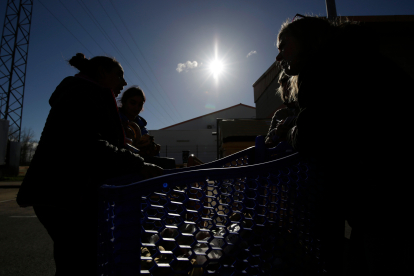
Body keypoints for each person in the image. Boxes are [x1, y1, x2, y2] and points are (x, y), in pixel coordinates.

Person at [274, 16, 411, 274]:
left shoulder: (325, 67)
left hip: (387, 189)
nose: (279, 58)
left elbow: (313, 133)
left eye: (284, 46)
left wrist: (288, 131)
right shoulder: (354, 59)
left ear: (306, 41)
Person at [16, 53, 163, 276]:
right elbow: (86, 142)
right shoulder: (82, 93)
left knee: (74, 260)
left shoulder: (89, 94)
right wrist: (137, 164)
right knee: (80, 262)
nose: (123, 83)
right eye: (119, 76)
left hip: (67, 192)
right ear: (102, 73)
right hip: (63, 191)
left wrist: (134, 154)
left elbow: (97, 140)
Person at [118, 86, 176, 169]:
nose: (136, 108)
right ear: (124, 101)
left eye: (140, 105)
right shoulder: (114, 118)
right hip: (120, 163)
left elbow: (152, 155)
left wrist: (152, 150)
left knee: (169, 163)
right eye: (133, 103)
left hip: (139, 163)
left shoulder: (141, 126)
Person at [265, 71, 299, 148]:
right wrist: (277, 134)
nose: (287, 87)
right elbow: (267, 142)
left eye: (290, 82)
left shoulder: (305, 108)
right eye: (283, 84)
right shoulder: (280, 114)